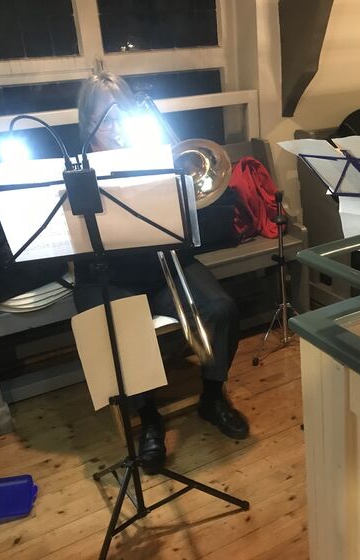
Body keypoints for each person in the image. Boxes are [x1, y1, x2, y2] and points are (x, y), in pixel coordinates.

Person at [75, 72, 249, 474]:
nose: (116, 127)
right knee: (122, 328)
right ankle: (148, 417)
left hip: (163, 262)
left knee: (220, 308)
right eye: (105, 119)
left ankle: (212, 396)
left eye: (121, 116)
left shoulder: (151, 152)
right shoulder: (78, 165)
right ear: (88, 123)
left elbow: (189, 219)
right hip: (107, 273)